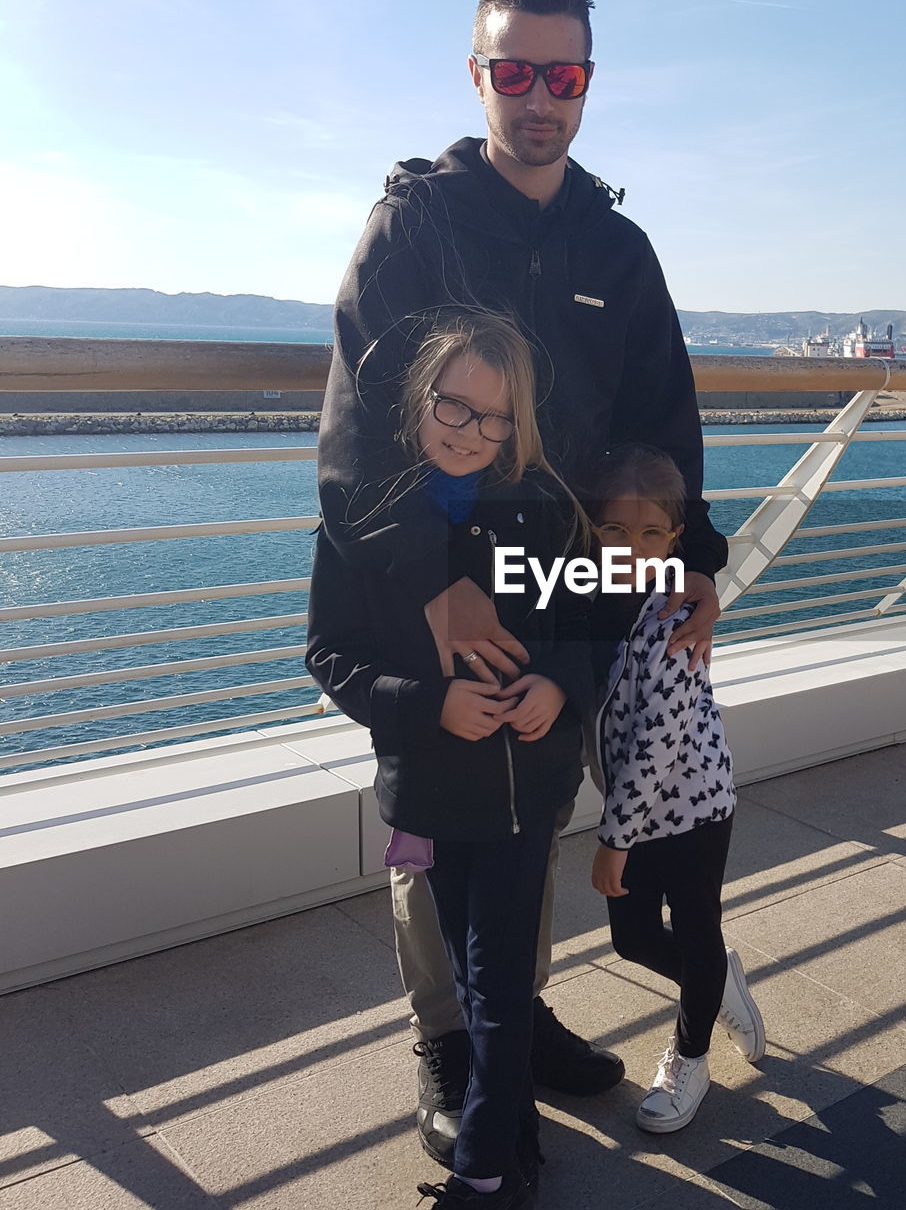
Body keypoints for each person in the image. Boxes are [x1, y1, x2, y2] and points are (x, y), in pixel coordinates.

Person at [314, 0, 729, 1163]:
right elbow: (350, 433)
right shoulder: (415, 224)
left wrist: (692, 555)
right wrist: (422, 576)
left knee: (537, 788)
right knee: (443, 803)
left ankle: (512, 1011)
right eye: (514, 71)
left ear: (587, 83)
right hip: (439, 570)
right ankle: (449, 1039)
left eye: (562, 74)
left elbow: (666, 423)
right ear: (477, 75)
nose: (538, 97)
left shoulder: (617, 244)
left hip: (568, 581)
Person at [307, 309, 594, 1209]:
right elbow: (331, 653)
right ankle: (518, 1136)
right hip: (432, 795)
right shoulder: (368, 524)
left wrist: (558, 687)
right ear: (419, 399)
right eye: (455, 407)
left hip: (522, 788)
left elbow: (580, 626)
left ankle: (484, 1173)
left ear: (521, 424)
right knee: (475, 977)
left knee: (501, 979)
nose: (473, 431)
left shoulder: (545, 511)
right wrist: (431, 705)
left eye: (496, 417)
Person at [587, 445, 764, 1134]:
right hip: (640, 812)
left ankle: (690, 1060)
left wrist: (612, 843)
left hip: (691, 812)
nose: (632, 549)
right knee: (632, 941)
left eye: (651, 534)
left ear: (675, 538)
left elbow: (656, 747)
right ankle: (718, 981)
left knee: (693, 930)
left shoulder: (674, 622)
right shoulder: (599, 603)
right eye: (615, 533)